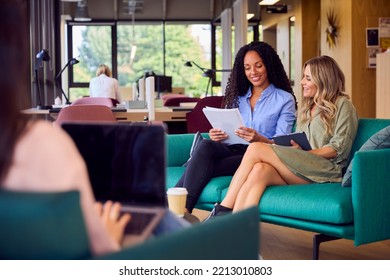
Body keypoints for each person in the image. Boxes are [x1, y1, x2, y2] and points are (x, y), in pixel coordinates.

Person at [0, 0, 187, 257]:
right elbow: (100, 248)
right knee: (160, 217)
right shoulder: (43, 145)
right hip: (109, 126)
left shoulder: (89, 85)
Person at [205, 55, 359, 220]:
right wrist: (297, 151)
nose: (302, 82)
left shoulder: (343, 105)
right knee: (260, 170)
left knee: (256, 147)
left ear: (323, 80)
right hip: (303, 165)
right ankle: (237, 228)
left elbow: (338, 148)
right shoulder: (307, 108)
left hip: (327, 171)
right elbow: (301, 140)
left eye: (307, 78)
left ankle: (223, 209)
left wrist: (305, 154)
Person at [174, 41, 297, 214]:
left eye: (258, 66)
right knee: (207, 145)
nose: (252, 72)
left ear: (268, 65)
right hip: (230, 148)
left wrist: (258, 139)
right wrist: (217, 134)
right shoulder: (238, 98)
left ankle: (179, 210)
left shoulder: (284, 99)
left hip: (255, 157)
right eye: (247, 68)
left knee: (200, 165)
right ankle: (180, 211)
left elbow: (282, 144)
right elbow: (228, 128)